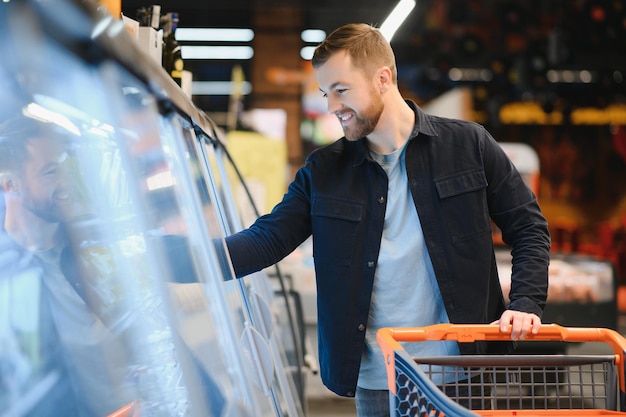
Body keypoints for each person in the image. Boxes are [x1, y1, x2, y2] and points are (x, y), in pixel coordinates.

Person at [224, 23, 550, 417]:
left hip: (463, 373)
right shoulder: (325, 171)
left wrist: (526, 302)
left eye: (341, 90)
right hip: (378, 378)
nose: (331, 106)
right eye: (326, 94)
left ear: (383, 78)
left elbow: (528, 227)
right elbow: (266, 239)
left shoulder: (469, 146)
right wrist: (165, 257)